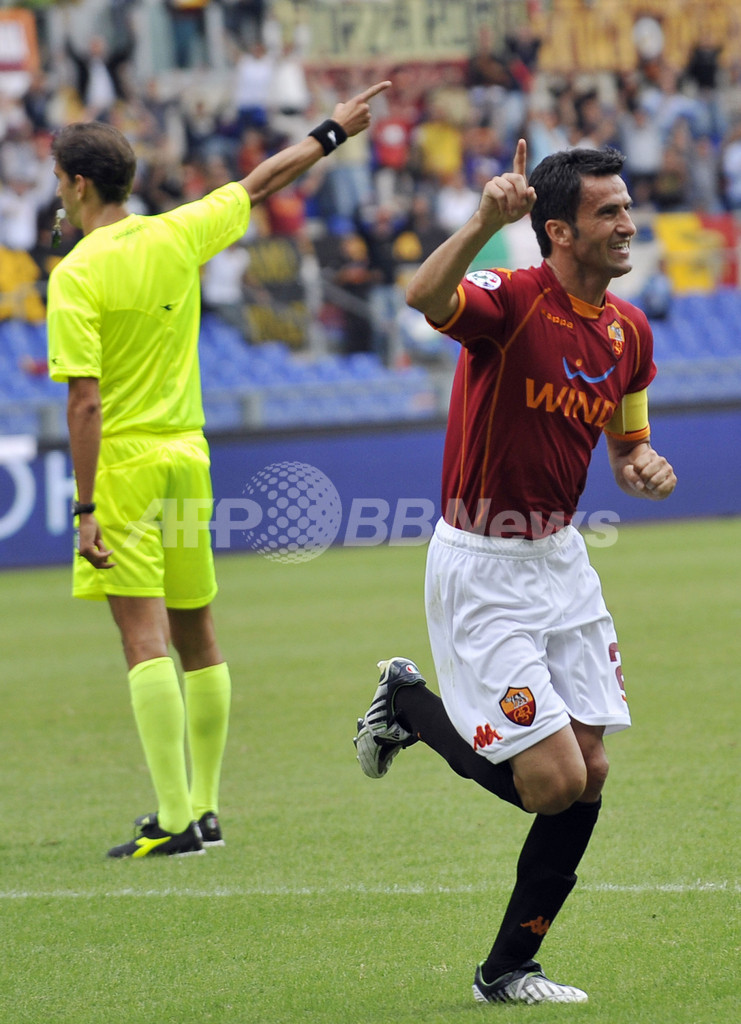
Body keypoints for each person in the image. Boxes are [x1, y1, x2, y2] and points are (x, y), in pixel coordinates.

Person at [354, 141, 676, 1004]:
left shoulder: (629, 331)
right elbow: (422, 297)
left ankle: (506, 970)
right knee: (554, 782)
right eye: (608, 211)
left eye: (626, 206)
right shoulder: (511, 299)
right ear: (558, 231)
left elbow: (627, 443)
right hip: (483, 566)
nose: (627, 223)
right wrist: (480, 223)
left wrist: (642, 466)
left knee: (590, 771)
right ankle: (409, 707)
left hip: (561, 561)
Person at [47, 79, 390, 859]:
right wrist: (332, 132)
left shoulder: (77, 273)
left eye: (60, 179)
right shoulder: (177, 233)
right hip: (187, 455)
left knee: (143, 641)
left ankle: (173, 818)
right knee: (197, 634)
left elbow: (85, 403)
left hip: (127, 463)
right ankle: (203, 810)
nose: (57, 191)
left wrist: (86, 508)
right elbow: (261, 180)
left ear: (79, 184)